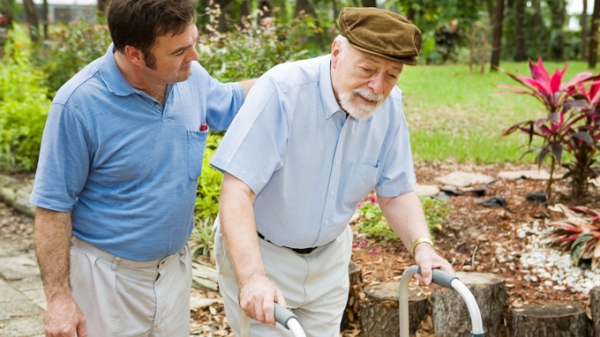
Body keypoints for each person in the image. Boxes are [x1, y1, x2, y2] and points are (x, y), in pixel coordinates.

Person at [210, 7, 454, 336]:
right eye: (367, 69)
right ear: (336, 52)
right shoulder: (282, 91)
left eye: (391, 75)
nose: (377, 87)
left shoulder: (390, 106)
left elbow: (395, 191)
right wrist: (253, 277)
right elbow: (236, 190)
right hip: (263, 253)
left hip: (330, 260)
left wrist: (423, 246)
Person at [29, 0, 256, 336]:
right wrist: (59, 299)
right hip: (106, 281)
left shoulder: (189, 77)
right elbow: (52, 207)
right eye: (179, 50)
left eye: (193, 42)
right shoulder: (78, 104)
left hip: (174, 272)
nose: (193, 57)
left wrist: (298, 80)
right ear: (135, 54)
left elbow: (234, 101)